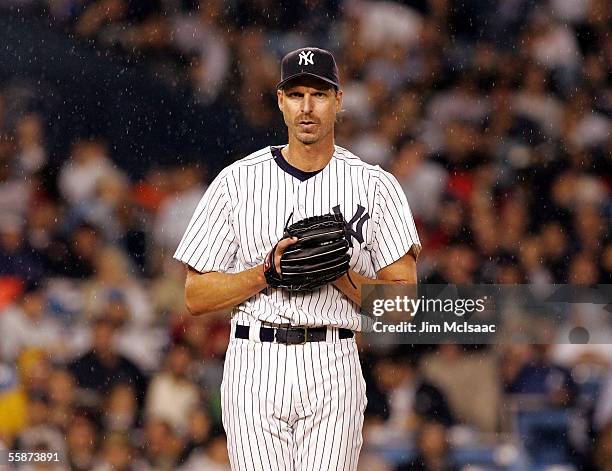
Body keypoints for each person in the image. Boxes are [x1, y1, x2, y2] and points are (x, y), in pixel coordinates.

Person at [174, 47, 421, 470]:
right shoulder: (238, 181)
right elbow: (195, 296)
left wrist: (342, 276)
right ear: (280, 101)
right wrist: (267, 273)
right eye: (297, 94)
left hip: (333, 359)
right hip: (255, 359)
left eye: (319, 95)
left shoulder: (375, 185)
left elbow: (403, 306)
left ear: (338, 101)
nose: (307, 107)